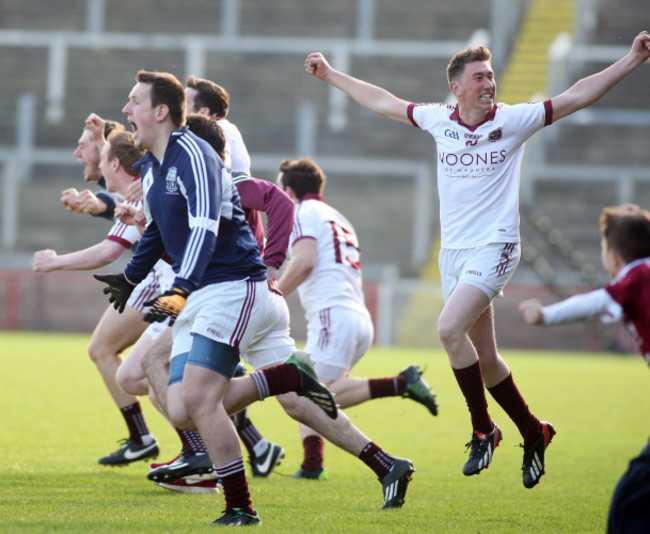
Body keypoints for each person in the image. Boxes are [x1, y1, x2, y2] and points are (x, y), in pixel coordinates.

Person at [303, 30, 650, 488]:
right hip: (455, 255)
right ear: (457, 87)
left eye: (491, 76)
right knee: (485, 359)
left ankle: (484, 429)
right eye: (480, 77)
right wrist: (330, 75)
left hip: (497, 245)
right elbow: (384, 101)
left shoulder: (514, 119)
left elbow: (576, 95)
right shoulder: (437, 119)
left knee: (447, 329)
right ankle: (534, 430)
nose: (490, 84)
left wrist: (631, 60)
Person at [131, 114, 416, 512]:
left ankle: (212, 470)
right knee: (293, 403)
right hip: (234, 298)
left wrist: (273, 262)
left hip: (230, 298)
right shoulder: (183, 185)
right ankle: (386, 464)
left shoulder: (221, 179)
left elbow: (276, 202)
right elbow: (184, 248)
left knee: (178, 387)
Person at [97, 69, 338, 526]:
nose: (126, 110)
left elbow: (206, 227)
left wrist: (180, 290)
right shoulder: (152, 164)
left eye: (134, 102)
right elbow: (160, 233)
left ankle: (240, 507)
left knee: (200, 401)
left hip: (229, 286)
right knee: (186, 409)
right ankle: (284, 376)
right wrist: (130, 277)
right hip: (198, 290)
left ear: (160, 111)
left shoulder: (195, 155)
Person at [276, 156, 437, 480]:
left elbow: (305, 260)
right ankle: (312, 465)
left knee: (304, 392)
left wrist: (274, 292)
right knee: (312, 388)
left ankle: (402, 384)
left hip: (333, 316)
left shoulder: (302, 212)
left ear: (289, 191)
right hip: (355, 317)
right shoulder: (339, 217)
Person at [34, 126, 167, 466]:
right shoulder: (141, 190)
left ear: (114, 163)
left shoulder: (145, 189)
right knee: (163, 371)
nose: (79, 154)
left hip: (170, 286)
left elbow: (109, 251)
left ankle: (196, 450)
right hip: (176, 283)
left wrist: (54, 263)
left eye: (87, 147)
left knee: (151, 374)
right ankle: (238, 444)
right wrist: (101, 205)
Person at [519, 205, 650, 533]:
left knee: (630, 501)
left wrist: (543, 315)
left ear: (614, 256)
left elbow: (595, 302)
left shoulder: (635, 278)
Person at [62, 114, 124, 221]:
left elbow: (123, 197)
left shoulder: (135, 184)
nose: (76, 153)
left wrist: (99, 203)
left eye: (83, 146)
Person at [185, 75, 251, 173]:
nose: (178, 107)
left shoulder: (221, 129)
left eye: (184, 103)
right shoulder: (225, 127)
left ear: (203, 112)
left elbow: (224, 162)